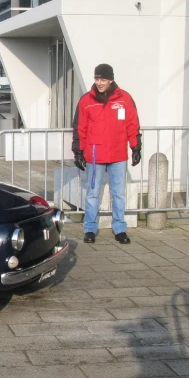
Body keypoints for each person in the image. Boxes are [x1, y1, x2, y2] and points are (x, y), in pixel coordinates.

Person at [72, 63, 141, 244]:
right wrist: (78, 152)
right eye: (96, 78)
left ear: (111, 80)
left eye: (103, 79)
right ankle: (90, 228)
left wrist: (136, 147)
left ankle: (119, 228)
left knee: (118, 193)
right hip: (95, 156)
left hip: (118, 155)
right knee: (93, 194)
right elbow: (80, 128)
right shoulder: (86, 101)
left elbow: (132, 125)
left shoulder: (125, 99)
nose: (99, 82)